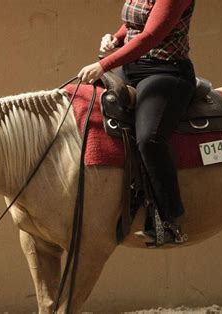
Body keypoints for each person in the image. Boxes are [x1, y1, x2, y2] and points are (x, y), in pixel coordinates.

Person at [77, 0, 196, 245]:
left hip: (166, 72)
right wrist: (115, 38)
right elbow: (133, 24)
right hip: (132, 69)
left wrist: (103, 64)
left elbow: (150, 36)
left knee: (149, 139)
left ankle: (169, 220)